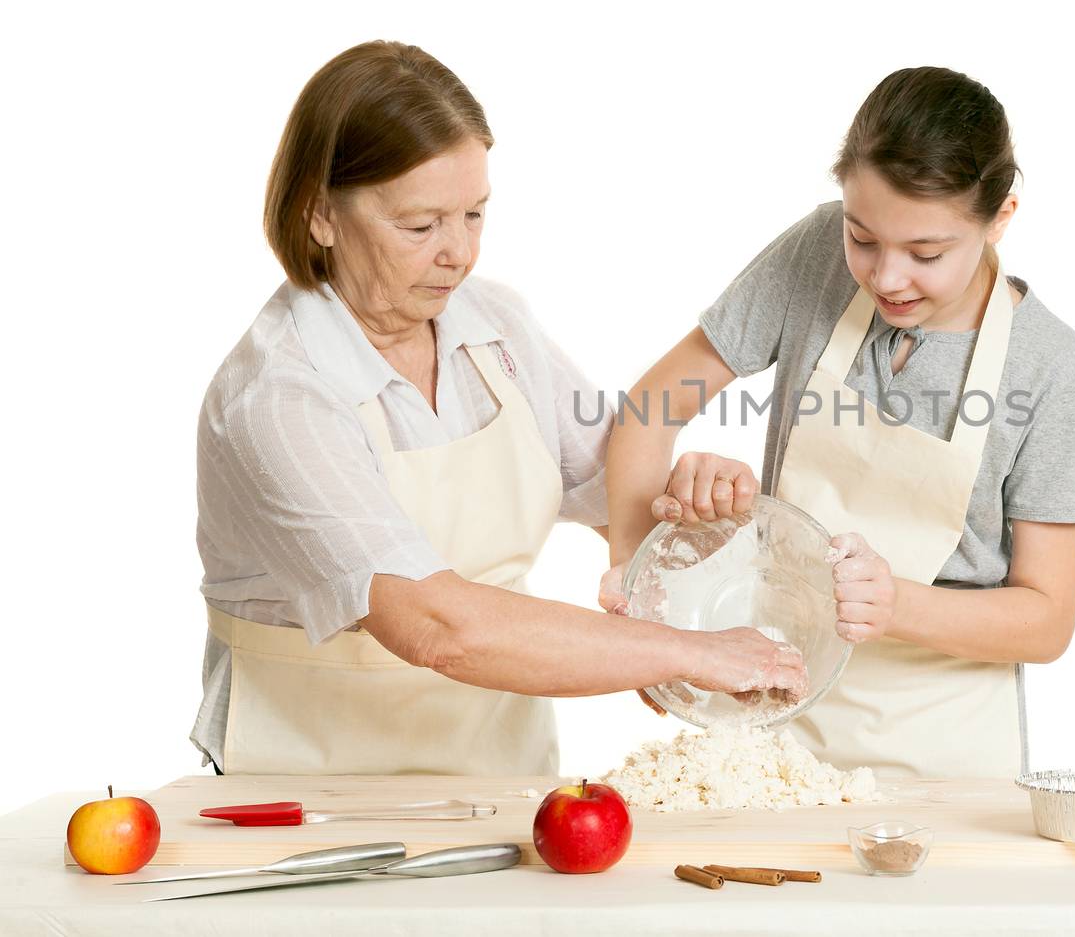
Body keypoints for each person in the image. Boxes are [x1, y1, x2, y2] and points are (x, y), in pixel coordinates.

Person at [190, 40, 803, 777]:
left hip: (499, 772)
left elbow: (623, 498)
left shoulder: (497, 330)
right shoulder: (280, 399)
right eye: (420, 226)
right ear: (320, 213)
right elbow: (437, 626)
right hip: (311, 791)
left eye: (474, 213)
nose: (459, 253)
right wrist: (688, 652)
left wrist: (694, 497)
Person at [604, 67, 1075, 778]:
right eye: (862, 237)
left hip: (949, 754)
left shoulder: (1055, 368)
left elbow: (1047, 618)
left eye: (926, 253)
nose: (887, 276)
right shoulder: (813, 255)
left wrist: (893, 603)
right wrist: (637, 601)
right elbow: (649, 412)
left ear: (1001, 217)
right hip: (774, 725)